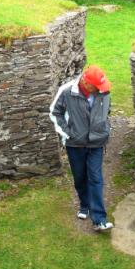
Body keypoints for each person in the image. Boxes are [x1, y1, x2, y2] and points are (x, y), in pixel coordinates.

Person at [48, 65, 113, 231]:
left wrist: (105, 128)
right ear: (85, 82)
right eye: (96, 87)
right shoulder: (67, 91)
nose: (100, 90)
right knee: (80, 178)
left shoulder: (103, 92)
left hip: (97, 142)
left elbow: (107, 111)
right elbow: (55, 113)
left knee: (96, 177)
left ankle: (99, 219)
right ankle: (85, 205)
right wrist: (68, 133)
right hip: (75, 144)